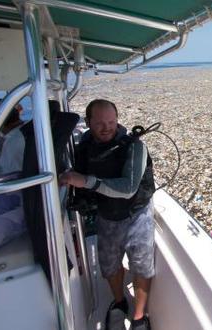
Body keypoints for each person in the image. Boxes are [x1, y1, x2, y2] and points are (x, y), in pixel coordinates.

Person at [60, 99, 156, 330]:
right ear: (88, 122)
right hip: (106, 214)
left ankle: (139, 316)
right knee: (109, 265)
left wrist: (85, 182)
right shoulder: (85, 145)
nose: (106, 127)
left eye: (111, 122)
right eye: (100, 122)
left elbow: (128, 188)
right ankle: (120, 302)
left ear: (117, 120)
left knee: (141, 265)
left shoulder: (134, 147)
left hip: (136, 214)